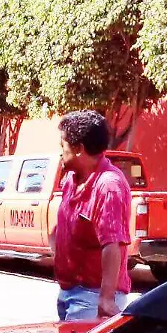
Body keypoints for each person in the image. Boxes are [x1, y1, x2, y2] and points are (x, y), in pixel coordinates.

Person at [50, 110, 132, 320]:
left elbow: (113, 244)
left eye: (63, 146)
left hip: (91, 297)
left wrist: (105, 299)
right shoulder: (72, 179)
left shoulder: (108, 185)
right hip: (69, 291)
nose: (61, 152)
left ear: (79, 149)